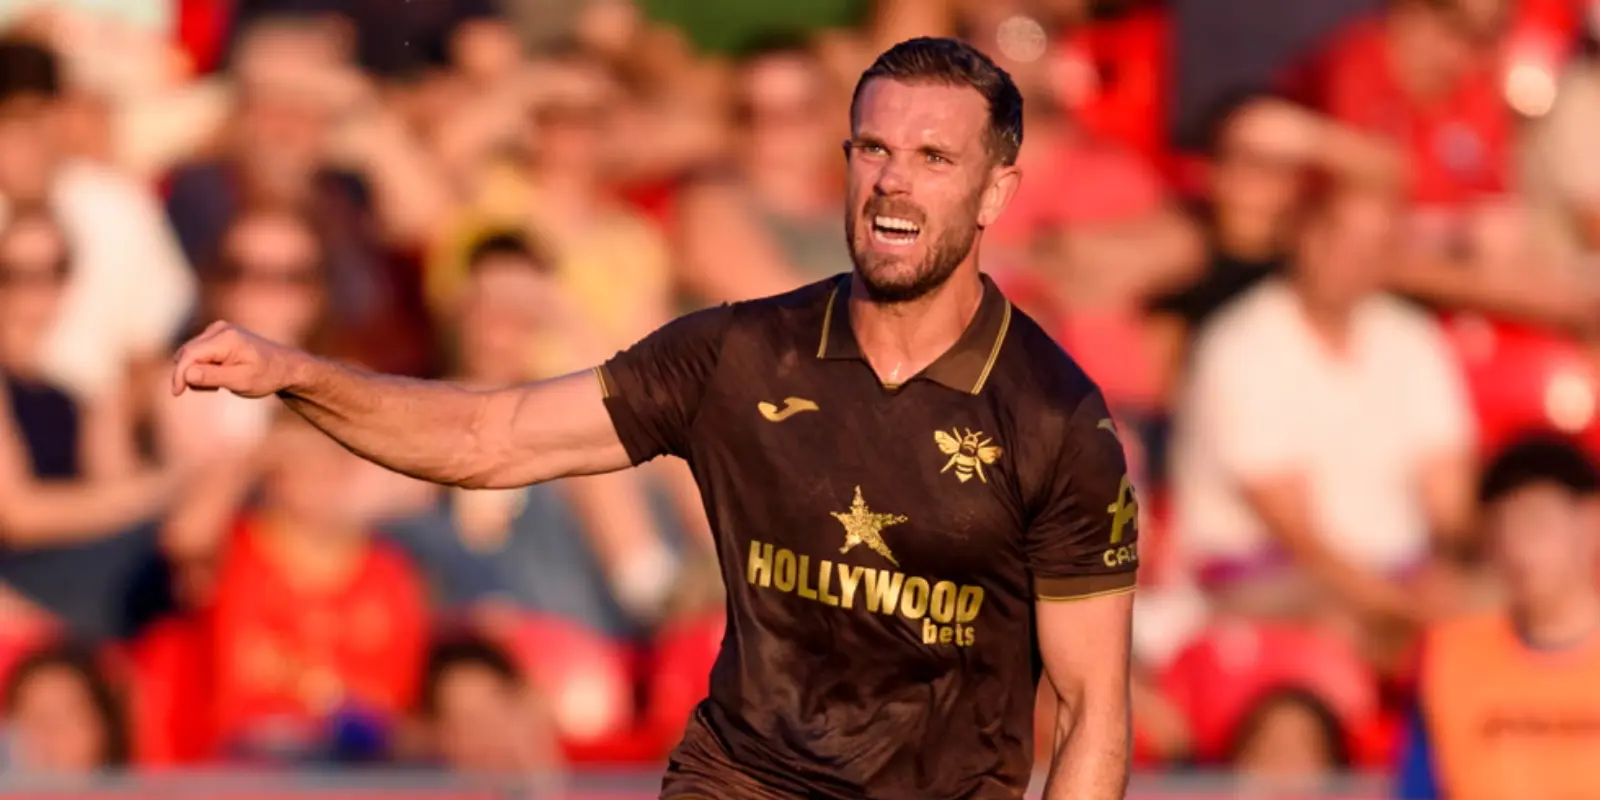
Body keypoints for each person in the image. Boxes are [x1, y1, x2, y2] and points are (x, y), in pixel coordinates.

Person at [173, 37, 1139, 799]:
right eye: (873, 150)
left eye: (933, 158)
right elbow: (485, 439)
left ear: (996, 191)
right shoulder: (739, 353)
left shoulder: (1053, 417)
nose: (893, 180)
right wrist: (299, 373)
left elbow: (1092, 707)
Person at [1397, 435, 1600, 800]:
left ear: (1590, 521)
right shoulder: (1450, 656)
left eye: (1536, 524)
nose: (1519, 549)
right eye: (1503, 529)